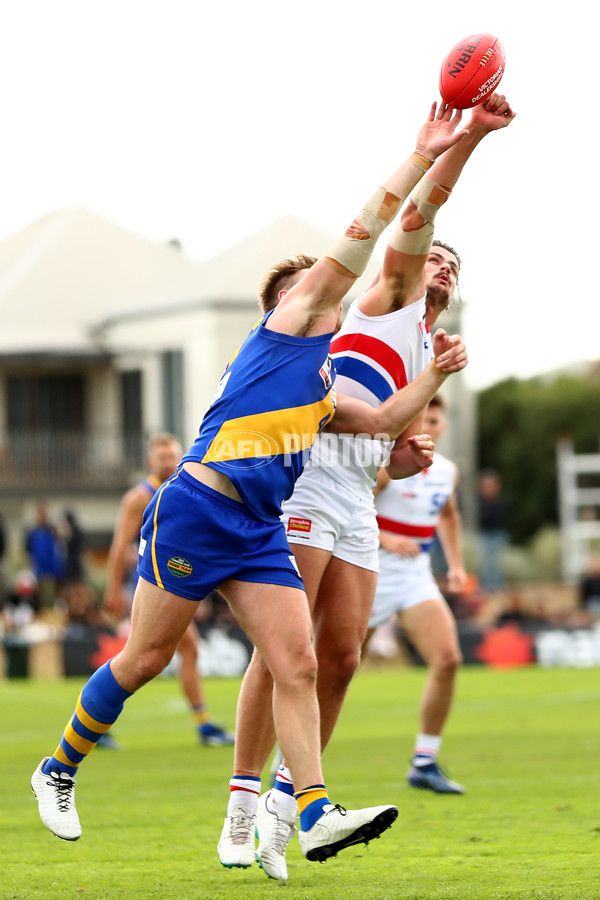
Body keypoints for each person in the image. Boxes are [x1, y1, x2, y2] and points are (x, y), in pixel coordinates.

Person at [31, 104, 468, 870]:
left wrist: (436, 372)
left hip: (261, 527)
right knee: (145, 659)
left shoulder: (325, 383)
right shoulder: (285, 327)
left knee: (298, 662)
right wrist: (422, 153)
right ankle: (59, 767)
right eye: (314, 282)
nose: (329, 285)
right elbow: (362, 235)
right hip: (199, 509)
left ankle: (313, 811)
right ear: (288, 302)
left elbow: (387, 419)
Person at [227, 93, 515, 881]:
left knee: (344, 657)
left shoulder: (424, 334)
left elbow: (379, 428)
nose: (444, 265)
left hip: (355, 488)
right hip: (312, 485)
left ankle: (291, 807)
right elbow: (422, 210)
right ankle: (246, 802)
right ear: (408, 263)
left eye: (457, 264)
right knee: (288, 650)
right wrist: (467, 141)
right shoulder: (386, 294)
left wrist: (401, 462)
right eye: (436, 256)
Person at [102, 432, 234, 747]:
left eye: (172, 455)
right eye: (162, 457)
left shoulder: (182, 488)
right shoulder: (140, 497)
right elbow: (120, 546)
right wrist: (112, 590)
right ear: (150, 461)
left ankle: (203, 725)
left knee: (182, 650)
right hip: (149, 585)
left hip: (174, 584)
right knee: (142, 659)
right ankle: (97, 719)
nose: (168, 462)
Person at [364, 394, 467, 793]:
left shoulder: (447, 472)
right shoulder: (389, 467)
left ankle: (424, 761)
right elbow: (351, 509)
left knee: (448, 658)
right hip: (371, 572)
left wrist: (456, 566)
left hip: (416, 575)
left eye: (437, 422)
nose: (431, 428)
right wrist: (387, 539)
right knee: (336, 672)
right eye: (425, 420)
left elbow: (449, 515)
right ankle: (289, 769)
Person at [477, 468, 509, 592]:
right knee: (486, 563)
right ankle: (486, 588)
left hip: (498, 535)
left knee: (497, 563)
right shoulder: (481, 504)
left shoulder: (500, 503)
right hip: (485, 535)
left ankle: (497, 587)